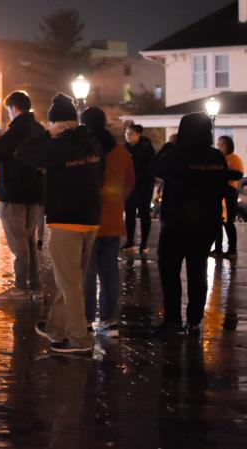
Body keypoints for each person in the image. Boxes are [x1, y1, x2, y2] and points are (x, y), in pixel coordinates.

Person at [15, 94, 103, 354]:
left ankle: (80, 340)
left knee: (71, 284)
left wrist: (47, 134)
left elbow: (22, 153)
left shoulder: (57, 146)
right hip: (90, 219)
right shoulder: (92, 141)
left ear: (56, 123)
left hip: (66, 220)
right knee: (72, 281)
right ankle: (55, 328)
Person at [152, 112, 229, 335]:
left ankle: (173, 320)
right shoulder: (216, 157)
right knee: (198, 271)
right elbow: (221, 187)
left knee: (170, 271)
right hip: (206, 224)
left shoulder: (178, 154)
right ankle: (195, 320)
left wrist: (168, 147)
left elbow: (156, 169)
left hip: (177, 224)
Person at [0, 90, 47, 301]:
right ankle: (35, 286)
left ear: (13, 108)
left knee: (19, 244)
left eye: (8, 109)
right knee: (29, 241)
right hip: (33, 193)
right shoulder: (38, 128)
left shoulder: (17, 129)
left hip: (14, 196)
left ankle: (20, 287)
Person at [81, 107, 134, 337]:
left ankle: (86, 318)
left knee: (87, 272)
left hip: (88, 219)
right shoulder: (121, 152)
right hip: (113, 219)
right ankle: (110, 319)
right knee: (109, 271)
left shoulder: (84, 149)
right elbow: (130, 183)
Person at [123, 123, 156, 253]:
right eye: (126, 133)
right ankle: (130, 241)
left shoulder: (146, 147)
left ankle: (144, 243)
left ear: (138, 134)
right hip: (130, 186)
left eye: (130, 134)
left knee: (144, 214)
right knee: (129, 214)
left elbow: (149, 167)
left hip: (144, 186)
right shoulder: (125, 148)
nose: (128, 136)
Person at [213, 135, 243, 259]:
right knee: (217, 221)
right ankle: (218, 249)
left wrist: (221, 172)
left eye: (222, 144)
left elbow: (238, 174)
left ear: (229, 145)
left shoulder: (234, 159)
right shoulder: (218, 158)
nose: (219, 146)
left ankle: (232, 250)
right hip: (217, 191)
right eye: (218, 144)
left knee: (228, 221)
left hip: (229, 192)